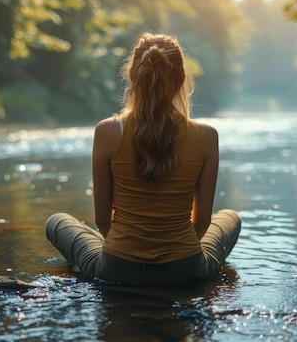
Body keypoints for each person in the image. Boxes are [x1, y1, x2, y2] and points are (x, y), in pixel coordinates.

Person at [46, 33, 241, 284]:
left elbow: (103, 221)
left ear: (131, 74)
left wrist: (130, 253)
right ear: (181, 79)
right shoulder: (206, 136)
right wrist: (174, 254)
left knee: (57, 221)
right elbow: (202, 222)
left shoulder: (107, 131)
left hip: (117, 267)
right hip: (185, 268)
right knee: (230, 217)